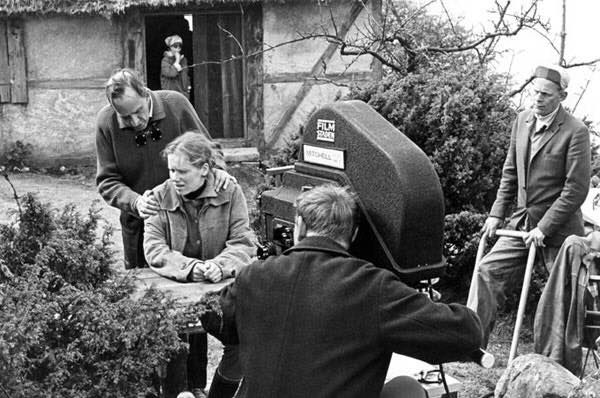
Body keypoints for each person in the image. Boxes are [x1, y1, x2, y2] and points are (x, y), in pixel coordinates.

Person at [202, 184, 483, 398]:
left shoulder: (254, 275)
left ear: (299, 225)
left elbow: (212, 315)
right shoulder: (374, 287)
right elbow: (466, 333)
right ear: (354, 235)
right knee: (407, 389)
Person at [467, 64, 591, 347]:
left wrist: (545, 228)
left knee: (560, 298)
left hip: (559, 231)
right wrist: (496, 214)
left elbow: (576, 190)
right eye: (534, 92)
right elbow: (510, 172)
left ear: (562, 96)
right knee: (486, 272)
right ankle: (472, 346)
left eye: (546, 94)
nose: (537, 98)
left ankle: (555, 363)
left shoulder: (576, 132)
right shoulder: (521, 120)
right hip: (522, 225)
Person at [145, 132, 256, 398]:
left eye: (182, 171)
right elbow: (154, 248)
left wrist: (222, 265)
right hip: (174, 292)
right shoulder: (160, 197)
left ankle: (216, 394)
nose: (174, 177)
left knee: (241, 343)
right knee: (172, 349)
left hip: (219, 289)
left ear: (204, 169)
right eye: (171, 169)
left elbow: (243, 241)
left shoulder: (230, 191)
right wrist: (192, 268)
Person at [95, 68, 232, 270]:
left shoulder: (175, 105)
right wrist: (135, 202)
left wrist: (217, 169)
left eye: (138, 112)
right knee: (146, 294)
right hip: (141, 226)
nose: (135, 122)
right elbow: (107, 181)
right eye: (125, 117)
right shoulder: (106, 122)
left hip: (189, 221)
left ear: (145, 93)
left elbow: (208, 150)